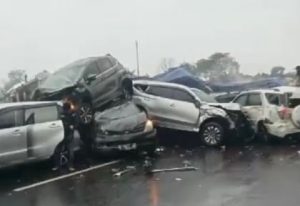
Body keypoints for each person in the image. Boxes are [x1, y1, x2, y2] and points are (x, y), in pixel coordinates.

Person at [53, 101, 78, 171]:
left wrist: (72, 126)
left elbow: (76, 123)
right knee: (67, 151)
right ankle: (69, 166)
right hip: (63, 134)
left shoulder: (63, 114)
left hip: (64, 134)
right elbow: (76, 123)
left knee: (61, 151)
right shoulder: (70, 114)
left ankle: (59, 166)